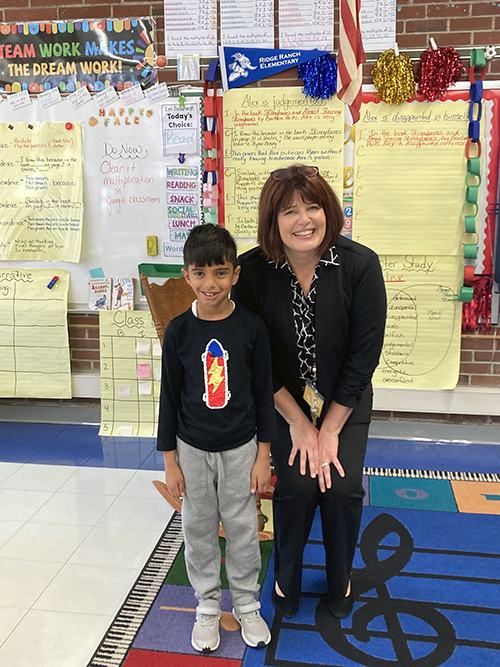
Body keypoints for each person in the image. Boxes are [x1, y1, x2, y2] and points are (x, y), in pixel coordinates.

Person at [232, 165, 387, 620]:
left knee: (340, 488)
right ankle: (286, 577)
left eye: (313, 206)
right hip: (282, 403)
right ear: (272, 220)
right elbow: (255, 362)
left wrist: (329, 429)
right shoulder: (254, 272)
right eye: (289, 210)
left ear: (329, 211)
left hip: (346, 400)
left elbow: (363, 360)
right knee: (297, 487)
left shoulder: (361, 265)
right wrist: (300, 425)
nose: (304, 220)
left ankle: (340, 577)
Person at [156, 224, 276, 652]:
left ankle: (246, 603)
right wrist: (170, 462)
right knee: (199, 528)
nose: (211, 284)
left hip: (242, 447)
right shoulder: (178, 332)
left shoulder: (252, 328)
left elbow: (264, 396)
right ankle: (206, 605)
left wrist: (264, 455)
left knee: (243, 528)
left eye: (221, 273)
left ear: (236, 274)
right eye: (201, 273)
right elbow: (168, 398)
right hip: (191, 448)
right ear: (187, 275)